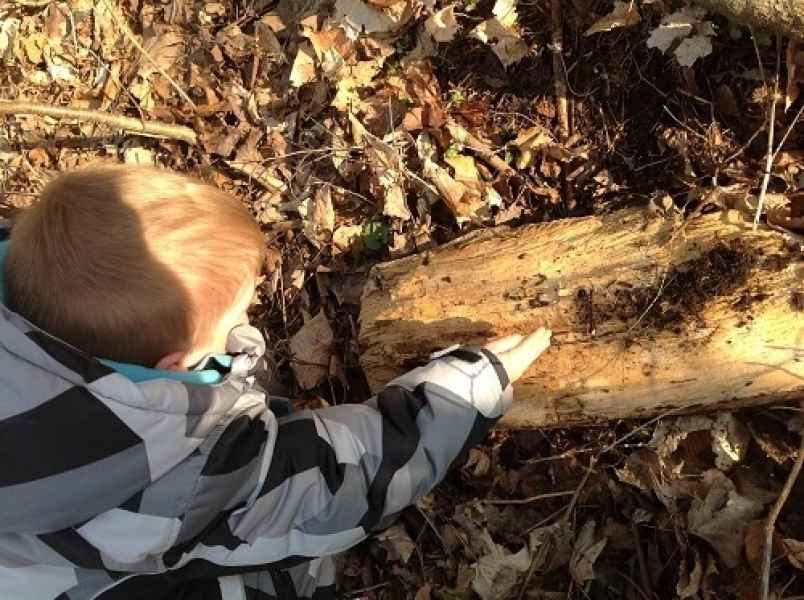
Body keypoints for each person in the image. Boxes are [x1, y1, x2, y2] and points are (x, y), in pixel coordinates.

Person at [0, 165, 551, 600]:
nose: (250, 318)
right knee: (281, 567)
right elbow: (334, 486)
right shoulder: (178, 481)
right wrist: (463, 390)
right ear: (175, 367)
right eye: (237, 316)